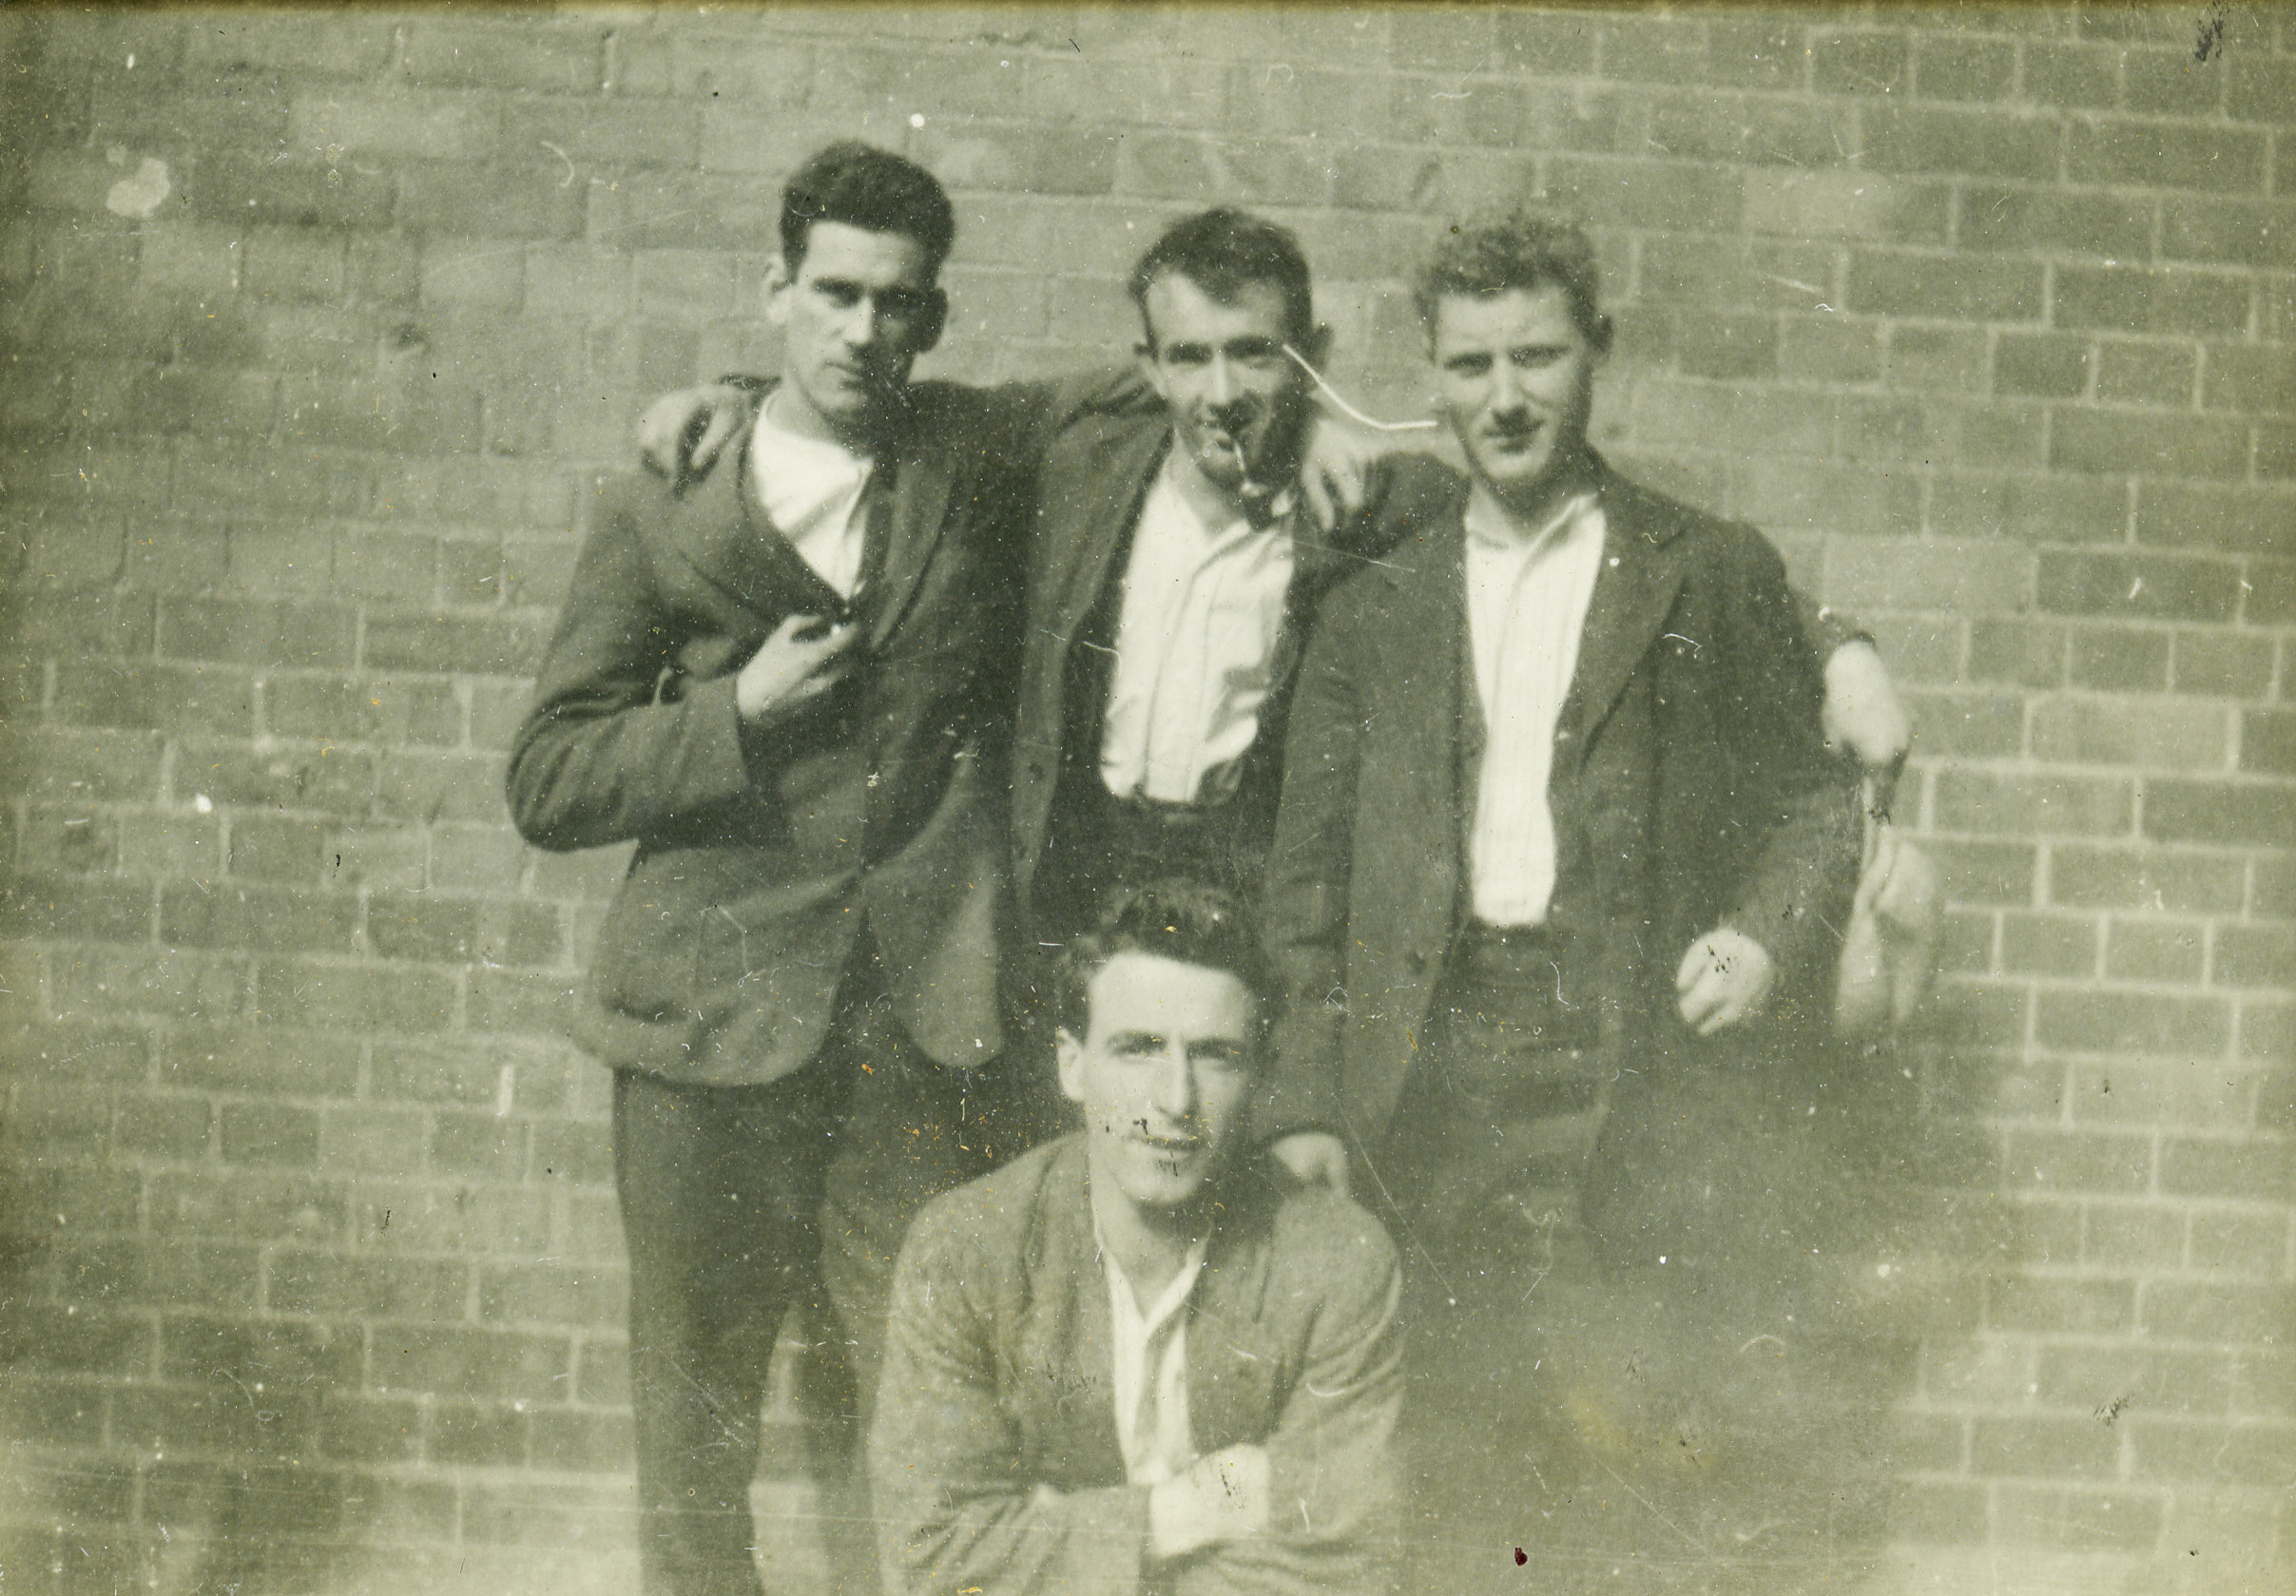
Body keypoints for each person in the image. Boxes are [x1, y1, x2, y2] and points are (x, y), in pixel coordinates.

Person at [504, 142, 1137, 1596]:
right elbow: (547, 772)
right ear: (776, 288)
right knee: (695, 1410)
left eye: (899, 303)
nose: (865, 330)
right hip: (700, 1024)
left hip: (910, 1026)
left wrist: (1335, 429)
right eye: (835, 292)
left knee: (925, 1406)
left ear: (935, 319)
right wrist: (732, 717)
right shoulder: (670, 499)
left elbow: (1145, 385)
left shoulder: (971, 453)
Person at [1256, 208, 1866, 1581]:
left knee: (1623, 1473)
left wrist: (1765, 935)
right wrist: (1299, 1099)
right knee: (1446, 1471)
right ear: (1427, 374)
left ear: (1598, 353)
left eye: (1536, 355)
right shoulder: (1375, 603)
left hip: (1631, 1081)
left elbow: (1816, 800)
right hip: (1427, 1087)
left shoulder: (1700, 566)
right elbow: (1300, 887)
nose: (1503, 396)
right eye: (1469, 364)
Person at [871, 880, 1404, 1596]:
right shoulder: (966, 1249)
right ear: (1071, 1063)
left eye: (1214, 1055)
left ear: (1259, 1076)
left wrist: (1060, 1541)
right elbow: (933, 1556)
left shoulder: (1340, 1262)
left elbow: (1338, 1566)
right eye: (1138, 1048)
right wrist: (1173, 1515)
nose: (1175, 1099)